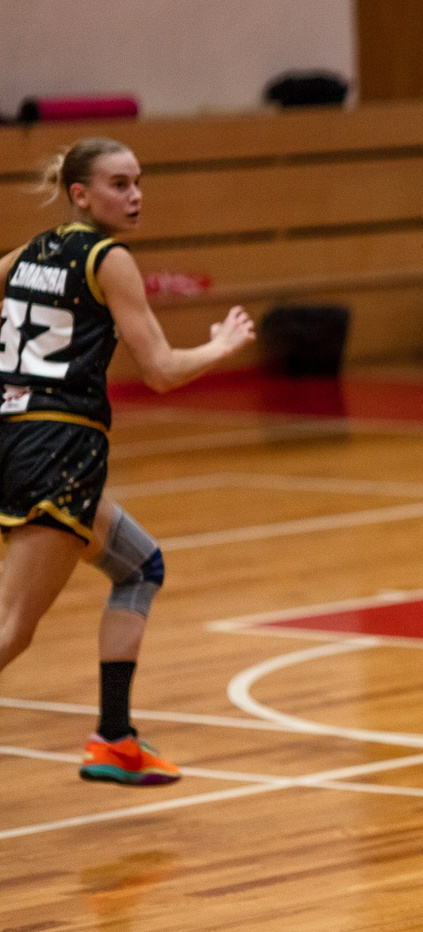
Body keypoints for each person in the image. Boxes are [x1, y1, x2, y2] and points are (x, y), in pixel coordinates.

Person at [0, 139, 255, 784]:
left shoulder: (31, 252)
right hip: (58, 449)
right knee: (11, 628)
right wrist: (220, 347)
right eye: (119, 184)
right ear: (81, 194)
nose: (135, 196)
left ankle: (115, 739)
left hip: (16, 439)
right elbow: (161, 371)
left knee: (140, 566)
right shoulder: (107, 259)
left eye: (138, 182)